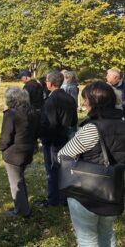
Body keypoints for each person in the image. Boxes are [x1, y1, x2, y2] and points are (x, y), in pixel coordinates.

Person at [58, 81, 125, 246]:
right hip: (115, 189)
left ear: (95, 102)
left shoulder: (92, 129)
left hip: (87, 193)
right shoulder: (123, 123)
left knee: (87, 240)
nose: (84, 104)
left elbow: (63, 156)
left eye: (86, 100)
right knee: (107, 234)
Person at [0, 87, 39, 217]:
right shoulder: (33, 112)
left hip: (14, 154)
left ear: (11, 99)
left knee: (15, 183)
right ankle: (23, 206)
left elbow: (5, 137)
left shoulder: (11, 114)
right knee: (19, 180)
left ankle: (21, 211)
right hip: (27, 151)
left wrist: (0, 147)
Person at [40, 70, 78, 207]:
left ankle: (54, 199)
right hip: (66, 138)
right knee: (64, 169)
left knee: (52, 169)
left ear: (50, 83)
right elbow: (74, 121)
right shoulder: (70, 99)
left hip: (53, 141)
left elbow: (49, 124)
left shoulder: (51, 100)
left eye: (46, 80)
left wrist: (42, 137)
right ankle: (63, 198)